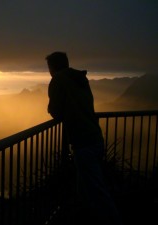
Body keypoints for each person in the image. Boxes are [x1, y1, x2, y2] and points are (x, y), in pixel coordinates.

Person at [46, 51, 122, 225]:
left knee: (97, 191)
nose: (49, 72)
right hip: (95, 137)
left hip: (82, 142)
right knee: (85, 190)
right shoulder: (80, 79)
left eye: (49, 68)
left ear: (53, 67)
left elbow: (56, 111)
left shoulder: (58, 80)